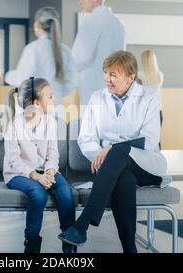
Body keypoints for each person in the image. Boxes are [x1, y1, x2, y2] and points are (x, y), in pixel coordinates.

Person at [58, 51, 172, 253]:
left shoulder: (149, 97)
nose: (107, 79)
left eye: (113, 74)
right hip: (113, 168)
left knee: (119, 151)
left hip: (146, 165)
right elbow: (86, 138)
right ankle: (130, 250)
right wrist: (102, 156)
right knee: (124, 179)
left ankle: (83, 223)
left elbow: (150, 140)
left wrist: (112, 148)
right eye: (106, 73)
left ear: (131, 77)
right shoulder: (97, 98)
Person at [0, 77, 76, 253]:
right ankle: (31, 245)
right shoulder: (13, 125)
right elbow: (14, 161)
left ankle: (70, 245)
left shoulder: (51, 122)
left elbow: (53, 154)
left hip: (45, 172)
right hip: (18, 174)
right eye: (51, 97)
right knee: (38, 194)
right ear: (37, 103)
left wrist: (50, 171)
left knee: (66, 193)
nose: (55, 100)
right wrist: (37, 176)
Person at [5, 7, 78, 107]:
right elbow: (73, 81)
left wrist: (8, 76)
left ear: (37, 24)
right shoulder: (65, 50)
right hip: (55, 106)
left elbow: (23, 79)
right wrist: (57, 94)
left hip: (34, 108)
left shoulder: (33, 48)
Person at [73, 0, 125, 107]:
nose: (79, 2)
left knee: (90, 120)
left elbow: (80, 57)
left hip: (92, 87)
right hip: (114, 87)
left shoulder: (91, 21)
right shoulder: (118, 23)